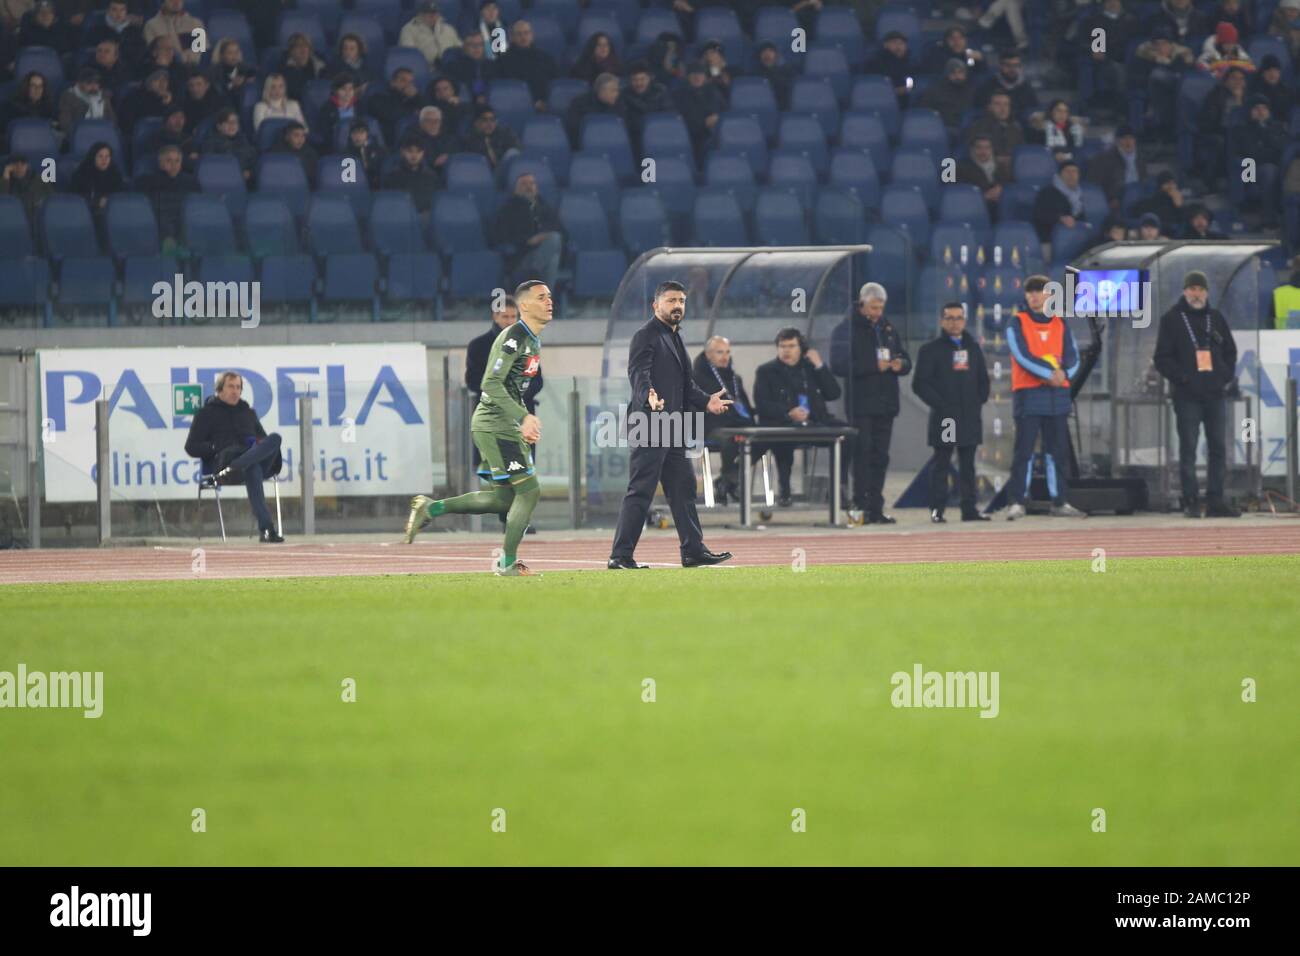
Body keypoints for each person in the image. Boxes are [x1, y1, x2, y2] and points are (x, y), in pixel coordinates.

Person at [404, 280, 554, 576]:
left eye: (550, 296)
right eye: (541, 297)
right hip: (497, 424)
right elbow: (490, 382)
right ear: (524, 306)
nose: (549, 301)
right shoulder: (515, 338)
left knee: (503, 498)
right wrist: (522, 416)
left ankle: (431, 508)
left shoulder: (532, 339)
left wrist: (521, 417)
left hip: (501, 424)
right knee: (530, 492)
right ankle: (507, 564)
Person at [608, 281, 734, 569]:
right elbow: (638, 374)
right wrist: (647, 395)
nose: (677, 305)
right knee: (641, 490)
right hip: (649, 423)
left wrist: (706, 402)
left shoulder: (675, 336)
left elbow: (686, 385)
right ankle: (620, 556)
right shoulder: (646, 336)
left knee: (683, 488)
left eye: (681, 301)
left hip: (673, 427)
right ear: (656, 305)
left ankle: (693, 551)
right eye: (671, 301)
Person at [1153, 272, 1240, 517]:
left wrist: (1224, 376)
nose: (1196, 293)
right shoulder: (1171, 319)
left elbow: (1231, 352)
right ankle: (1190, 500)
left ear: (1207, 293)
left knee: (1218, 448)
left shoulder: (1216, 318)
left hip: (1215, 394)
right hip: (1187, 395)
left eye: (1200, 289)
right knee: (1188, 448)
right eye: (1191, 289)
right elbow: (1162, 358)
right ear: (1184, 291)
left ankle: (1215, 500)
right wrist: (1183, 378)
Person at [1004, 274, 1086, 520]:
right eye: (1030, 292)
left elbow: (1073, 357)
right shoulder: (1017, 322)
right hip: (1029, 395)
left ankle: (1059, 501)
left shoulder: (1060, 323)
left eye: (1039, 291)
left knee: (1057, 451)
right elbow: (1021, 354)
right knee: (1024, 451)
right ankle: (1018, 501)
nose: (1034, 296)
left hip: (1057, 396)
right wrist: (1050, 374)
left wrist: (1062, 376)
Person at [829, 282, 912, 525]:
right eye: (874, 307)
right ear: (862, 304)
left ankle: (876, 508)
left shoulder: (887, 328)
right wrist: (872, 367)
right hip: (861, 403)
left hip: (886, 403)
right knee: (862, 455)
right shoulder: (845, 330)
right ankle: (860, 504)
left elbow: (905, 357)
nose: (878, 312)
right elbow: (839, 365)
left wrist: (901, 365)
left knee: (881, 456)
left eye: (881, 307)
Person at [464, 295, 543, 531]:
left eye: (513, 317)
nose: (509, 321)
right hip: (494, 416)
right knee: (501, 472)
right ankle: (507, 519)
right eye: (504, 316)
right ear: (494, 316)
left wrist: (519, 399)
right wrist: (505, 394)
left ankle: (518, 521)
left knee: (524, 470)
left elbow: (537, 379)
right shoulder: (479, 345)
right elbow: (474, 381)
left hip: (522, 417)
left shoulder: (529, 341)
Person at [185, 371, 286, 543]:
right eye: (231, 386)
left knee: (275, 438)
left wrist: (257, 443)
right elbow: (191, 446)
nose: (235, 391)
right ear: (219, 390)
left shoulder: (248, 412)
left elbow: (263, 440)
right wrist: (214, 448)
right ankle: (267, 529)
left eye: (238, 387)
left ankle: (241, 463)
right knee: (252, 469)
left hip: (251, 460)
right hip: (226, 463)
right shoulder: (206, 413)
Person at [913, 303, 990, 523]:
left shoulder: (973, 348)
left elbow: (982, 380)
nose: (954, 322)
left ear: (964, 321)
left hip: (969, 416)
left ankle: (969, 509)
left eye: (958, 318)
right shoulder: (931, 350)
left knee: (968, 465)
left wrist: (979, 399)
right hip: (947, 418)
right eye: (949, 318)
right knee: (942, 463)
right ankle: (938, 509)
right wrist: (941, 405)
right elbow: (920, 384)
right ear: (942, 321)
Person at [753, 329, 843, 508]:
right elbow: (762, 404)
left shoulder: (811, 368)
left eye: (792, 346)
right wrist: (788, 412)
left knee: (846, 435)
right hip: (784, 423)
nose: (786, 350)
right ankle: (785, 489)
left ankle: (841, 486)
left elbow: (833, 393)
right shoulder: (767, 371)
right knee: (782, 439)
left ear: (801, 348)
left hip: (815, 423)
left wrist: (820, 366)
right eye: (782, 346)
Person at [692, 335, 755, 505]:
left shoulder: (735, 378)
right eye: (719, 352)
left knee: (759, 440)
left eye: (727, 352)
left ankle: (726, 480)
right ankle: (730, 481)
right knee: (734, 439)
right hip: (710, 425)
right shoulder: (696, 377)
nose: (725, 356)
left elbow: (745, 406)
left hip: (737, 424)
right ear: (708, 355)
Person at [492, 172, 563, 289]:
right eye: (524, 184)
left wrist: (544, 236)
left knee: (554, 249)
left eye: (532, 183)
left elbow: (561, 229)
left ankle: (535, 275)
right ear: (516, 189)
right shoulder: (509, 209)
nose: (529, 187)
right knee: (553, 256)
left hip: (543, 252)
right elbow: (499, 236)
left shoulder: (544, 206)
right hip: (522, 257)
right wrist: (528, 240)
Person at [140, 144, 197, 254]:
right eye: (169, 161)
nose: (174, 165)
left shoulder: (190, 182)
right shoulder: (149, 182)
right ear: (161, 164)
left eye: (177, 161)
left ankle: (180, 264)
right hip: (162, 223)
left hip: (183, 222)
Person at [496, 20, 559, 111]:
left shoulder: (546, 59)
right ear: (512, 37)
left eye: (526, 33)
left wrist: (544, 102)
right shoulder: (502, 61)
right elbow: (504, 91)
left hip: (544, 107)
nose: (523, 37)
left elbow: (554, 86)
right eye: (519, 34)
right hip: (513, 107)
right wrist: (532, 102)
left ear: (532, 35)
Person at [963, 90, 1023, 180]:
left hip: (1013, 171)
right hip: (987, 173)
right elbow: (973, 153)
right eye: (998, 104)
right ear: (989, 107)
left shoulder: (1016, 128)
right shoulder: (978, 127)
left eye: (1006, 104)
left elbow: (1022, 151)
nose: (1003, 109)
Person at [1086, 127, 1147, 211]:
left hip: (1138, 196)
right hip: (1117, 198)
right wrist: (1111, 198)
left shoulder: (1140, 158)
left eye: (1131, 138)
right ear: (1117, 141)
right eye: (1124, 138)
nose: (1128, 142)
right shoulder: (1105, 158)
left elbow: (1144, 179)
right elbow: (1096, 183)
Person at [1032, 159, 1087, 244]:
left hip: (1074, 239)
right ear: (1060, 175)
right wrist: (1060, 218)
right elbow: (1039, 215)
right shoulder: (1048, 192)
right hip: (1049, 240)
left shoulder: (1079, 194)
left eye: (1074, 172)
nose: (1071, 175)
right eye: (1067, 171)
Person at [918, 59, 976, 134]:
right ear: (947, 74)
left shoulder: (971, 90)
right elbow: (925, 111)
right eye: (953, 73)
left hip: (966, 130)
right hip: (941, 129)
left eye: (960, 72)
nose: (957, 76)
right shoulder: (934, 90)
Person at [384, 134, 438, 215]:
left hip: (426, 218)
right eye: (410, 151)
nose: (414, 155)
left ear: (423, 153)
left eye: (418, 151)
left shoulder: (431, 176)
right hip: (400, 217)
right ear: (402, 152)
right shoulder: (392, 177)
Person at [400, 0, 461, 70]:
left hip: (451, 68)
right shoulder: (408, 30)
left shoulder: (449, 29)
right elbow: (409, 55)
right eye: (428, 13)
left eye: (435, 13)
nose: (432, 16)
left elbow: (459, 48)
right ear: (420, 14)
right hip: (425, 70)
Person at [142, 0, 203, 67]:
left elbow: (202, 54)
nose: (176, 1)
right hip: (165, 71)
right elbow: (154, 55)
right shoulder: (151, 26)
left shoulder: (196, 24)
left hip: (193, 70)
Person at [975, 48, 1036, 116]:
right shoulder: (987, 86)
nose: (1012, 69)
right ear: (1000, 66)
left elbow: (1033, 110)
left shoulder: (1026, 88)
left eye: (1016, 65)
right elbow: (978, 110)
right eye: (1008, 65)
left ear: (1021, 67)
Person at [460, 103, 519, 171]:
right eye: (485, 120)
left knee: (512, 152)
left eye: (492, 119)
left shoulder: (505, 134)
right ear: (476, 123)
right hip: (481, 174)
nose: (489, 123)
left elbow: (516, 150)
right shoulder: (470, 140)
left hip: (504, 173)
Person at [57, 67, 115, 134]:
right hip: (80, 134)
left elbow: (112, 121)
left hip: (102, 133)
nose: (94, 87)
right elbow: (65, 123)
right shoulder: (68, 97)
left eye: (96, 83)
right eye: (89, 83)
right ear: (79, 83)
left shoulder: (103, 97)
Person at [0, 153, 53, 220]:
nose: (19, 167)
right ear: (10, 167)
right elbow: (3, 200)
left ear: (27, 166)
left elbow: (51, 200)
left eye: (23, 164)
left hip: (35, 216)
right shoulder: (5, 180)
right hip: (12, 217)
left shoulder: (39, 179)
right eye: (15, 164)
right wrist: (6, 175)